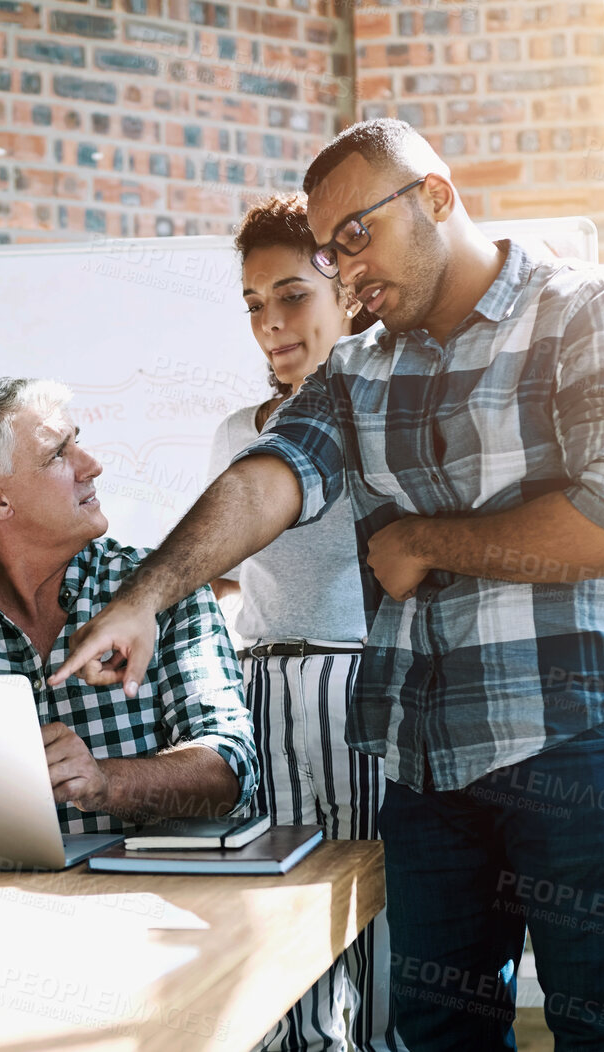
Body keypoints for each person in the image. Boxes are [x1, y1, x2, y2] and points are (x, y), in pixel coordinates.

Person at [57, 119, 604, 1051]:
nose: (344, 271)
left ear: (435, 196)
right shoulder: (357, 373)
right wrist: (147, 594)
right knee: (436, 1036)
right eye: (328, 249)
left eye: (357, 235)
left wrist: (425, 540)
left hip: (581, 742)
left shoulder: (592, 310)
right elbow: (266, 478)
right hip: (424, 763)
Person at [0, 377, 258, 832]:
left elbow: (232, 767)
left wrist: (106, 782)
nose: (92, 465)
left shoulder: (164, 589)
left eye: (77, 444)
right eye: (58, 455)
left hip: (142, 894)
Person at [207, 192, 400, 1052]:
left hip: (354, 690)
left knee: (364, 920)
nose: (270, 324)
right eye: (254, 304)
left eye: (292, 296)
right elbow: (219, 578)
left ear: (347, 293)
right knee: (274, 916)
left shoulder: (382, 416)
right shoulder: (231, 436)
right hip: (256, 694)